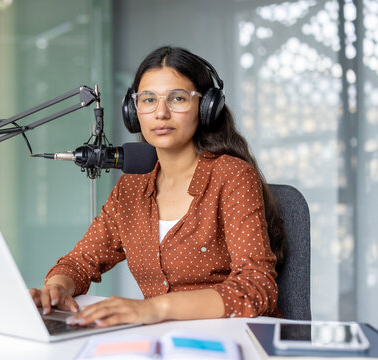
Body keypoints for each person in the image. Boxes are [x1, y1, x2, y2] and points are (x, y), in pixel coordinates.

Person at [29, 46, 286, 327]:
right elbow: (80, 262)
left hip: (233, 339)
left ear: (206, 107)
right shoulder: (132, 187)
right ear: (133, 110)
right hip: (161, 342)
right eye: (148, 100)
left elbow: (257, 288)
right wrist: (57, 287)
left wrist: (153, 308)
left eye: (177, 98)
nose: (161, 113)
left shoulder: (231, 175)